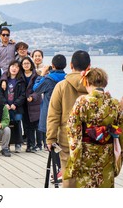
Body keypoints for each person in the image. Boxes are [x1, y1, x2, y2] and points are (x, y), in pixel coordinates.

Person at [64, 67, 123, 187]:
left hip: (87, 151)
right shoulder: (115, 103)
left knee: (86, 184)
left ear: (88, 82)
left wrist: (75, 153)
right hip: (107, 151)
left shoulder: (82, 102)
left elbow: (72, 128)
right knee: (105, 183)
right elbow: (121, 130)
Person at [46, 50, 91, 188]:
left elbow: (53, 115)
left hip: (68, 138)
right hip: (92, 138)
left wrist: (50, 139)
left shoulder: (61, 86)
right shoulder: (93, 86)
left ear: (71, 65)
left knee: (69, 176)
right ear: (89, 66)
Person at [33, 54, 67, 151]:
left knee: (51, 140)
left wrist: (42, 74)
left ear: (53, 65)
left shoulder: (49, 79)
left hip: (50, 111)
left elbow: (36, 88)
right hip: (64, 112)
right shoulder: (67, 78)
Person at [0, 60, 26, 153]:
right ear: (9, 67)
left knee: (17, 124)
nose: (14, 68)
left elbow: (23, 95)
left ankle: (18, 143)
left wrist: (16, 104)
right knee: (7, 125)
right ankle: (8, 144)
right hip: (6, 107)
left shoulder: (21, 81)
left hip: (17, 108)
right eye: (12, 66)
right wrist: (5, 103)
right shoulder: (4, 80)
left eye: (17, 67)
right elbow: (0, 94)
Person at [20, 57, 42, 152]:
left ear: (31, 64)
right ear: (21, 65)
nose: (26, 65)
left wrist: (32, 97)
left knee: (35, 124)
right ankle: (29, 145)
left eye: (28, 63)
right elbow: (6, 75)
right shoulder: (19, 75)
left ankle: (37, 144)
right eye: (24, 63)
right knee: (27, 125)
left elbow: (39, 89)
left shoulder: (36, 75)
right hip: (23, 102)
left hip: (34, 103)